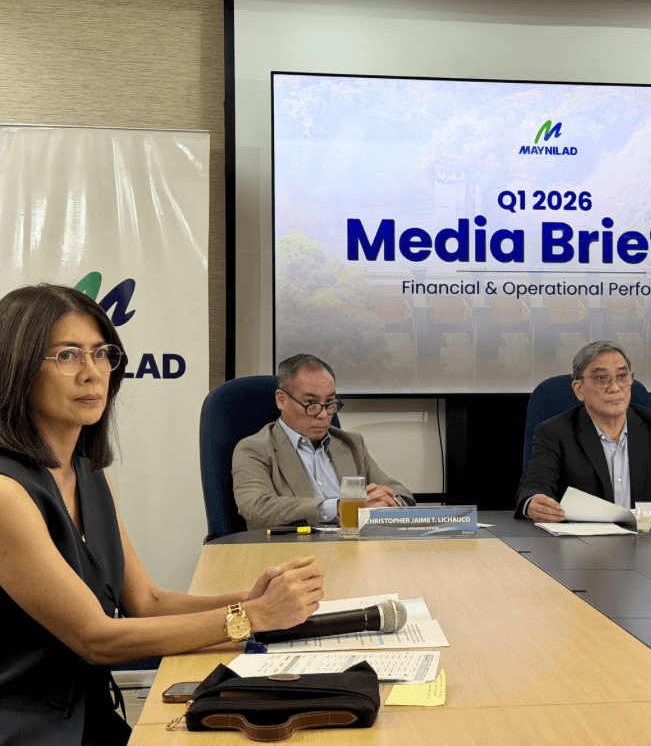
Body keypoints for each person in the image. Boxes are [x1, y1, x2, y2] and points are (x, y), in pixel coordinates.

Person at [0, 284, 324, 746]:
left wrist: (251, 599)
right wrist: (249, 616)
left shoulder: (89, 474)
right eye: (67, 356)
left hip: (86, 716)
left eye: (102, 354)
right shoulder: (6, 494)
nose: (94, 375)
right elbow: (98, 638)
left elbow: (147, 602)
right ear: (16, 368)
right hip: (29, 728)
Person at [515, 340, 651, 522]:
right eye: (601, 378)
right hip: (582, 548)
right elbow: (535, 485)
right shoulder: (555, 433)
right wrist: (533, 503)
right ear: (579, 389)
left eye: (622, 376)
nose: (615, 387)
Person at [232, 354, 414, 529]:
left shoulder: (351, 444)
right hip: (297, 550)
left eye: (329, 402)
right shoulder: (254, 449)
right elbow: (256, 509)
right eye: (311, 403)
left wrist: (390, 502)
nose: (323, 414)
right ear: (281, 400)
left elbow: (400, 491)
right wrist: (337, 508)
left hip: (355, 547)